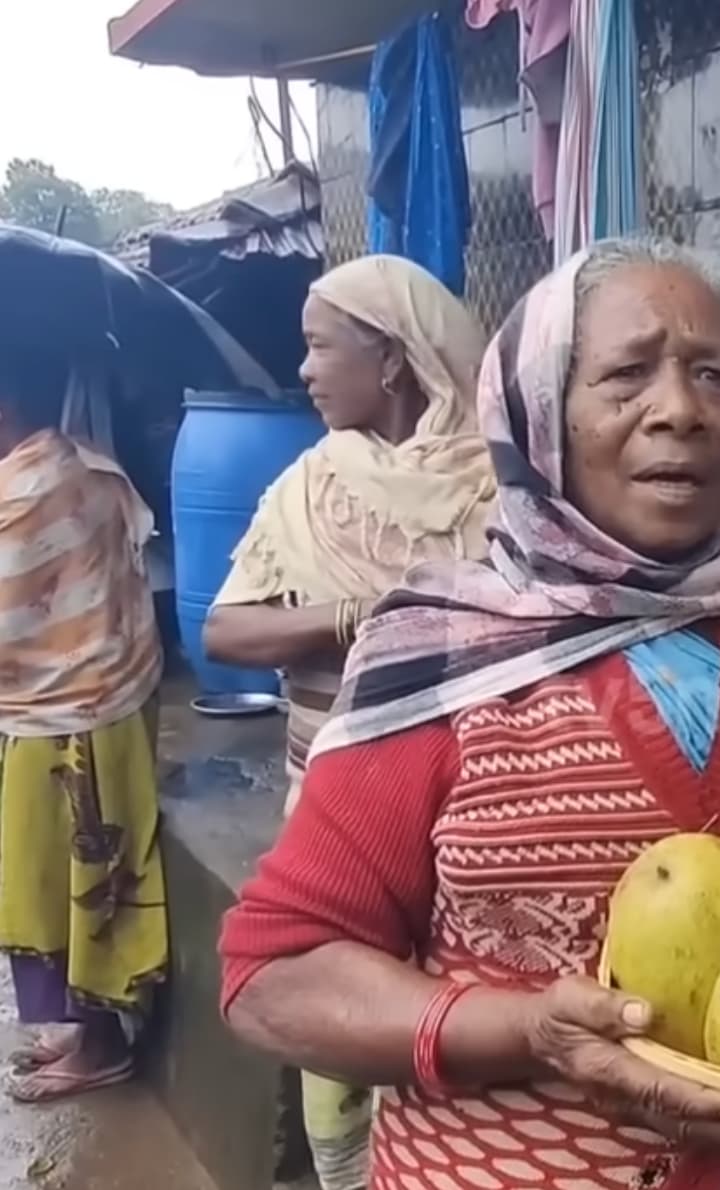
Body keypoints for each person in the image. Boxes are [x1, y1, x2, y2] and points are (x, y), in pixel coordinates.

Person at [218, 235, 720, 1190]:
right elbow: (274, 978)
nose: (679, 411)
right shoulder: (443, 656)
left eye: (714, 376)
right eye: (627, 374)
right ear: (541, 413)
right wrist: (526, 1035)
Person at [203, 255, 494, 1190]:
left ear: (396, 361)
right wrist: (353, 618)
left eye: (319, 347)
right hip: (333, 806)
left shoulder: (504, 487)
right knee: (340, 1032)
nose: (305, 371)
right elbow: (226, 628)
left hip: (474, 806)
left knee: (464, 1018)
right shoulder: (307, 487)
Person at [0, 349, 167, 1103]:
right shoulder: (79, 462)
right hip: (94, 701)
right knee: (50, 878)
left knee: (78, 883)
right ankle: (81, 1025)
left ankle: (100, 1045)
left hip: (71, 716)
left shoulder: (32, 490)